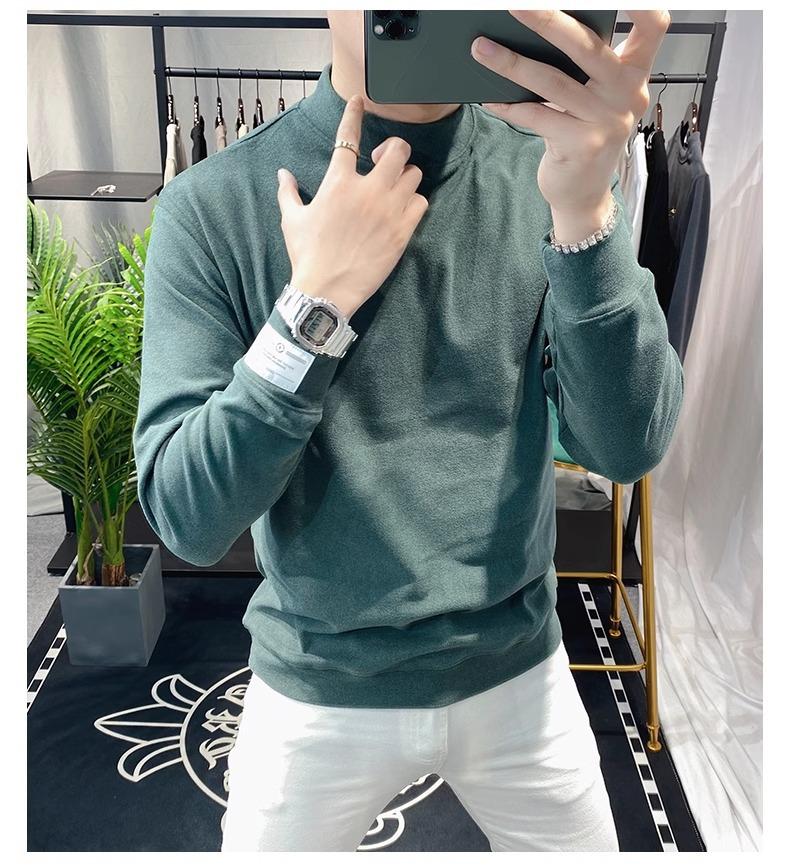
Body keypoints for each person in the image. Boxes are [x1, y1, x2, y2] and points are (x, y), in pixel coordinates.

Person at [133, 9, 682, 853]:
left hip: (519, 667)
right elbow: (188, 518)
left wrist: (587, 212)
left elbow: (626, 447)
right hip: (318, 681)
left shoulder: (549, 171)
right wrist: (312, 309)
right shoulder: (216, 204)